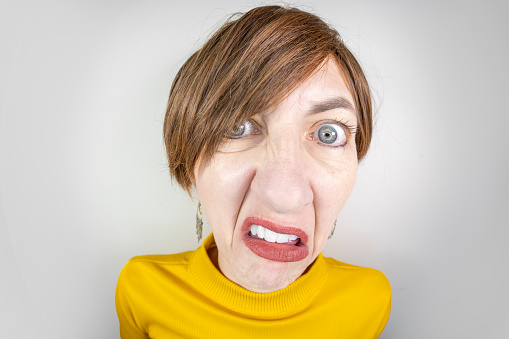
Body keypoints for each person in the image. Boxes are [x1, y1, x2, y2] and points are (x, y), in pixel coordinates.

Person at [115, 5, 391, 338]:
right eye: (238, 126)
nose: (285, 196)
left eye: (327, 133)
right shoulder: (140, 290)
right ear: (190, 163)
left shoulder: (371, 300)